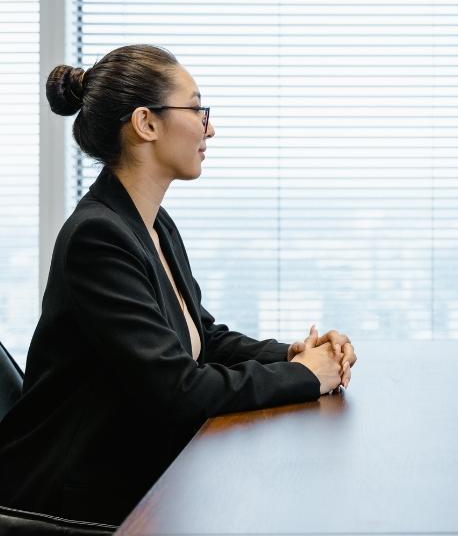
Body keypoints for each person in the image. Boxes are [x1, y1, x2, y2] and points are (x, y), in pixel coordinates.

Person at [0, 45, 357, 524]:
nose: (209, 127)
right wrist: (308, 376)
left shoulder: (152, 224)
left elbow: (202, 340)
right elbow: (178, 389)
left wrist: (293, 353)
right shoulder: (97, 237)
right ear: (146, 123)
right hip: (75, 499)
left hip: (140, 473)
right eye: (196, 108)